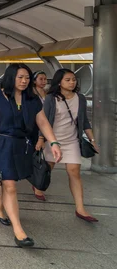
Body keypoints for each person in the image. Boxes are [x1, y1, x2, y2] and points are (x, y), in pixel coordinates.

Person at [0, 63, 62, 248]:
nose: (24, 81)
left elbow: (43, 122)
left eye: (27, 78)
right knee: (10, 184)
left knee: (10, 180)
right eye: (20, 77)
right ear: (10, 77)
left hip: (22, 145)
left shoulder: (32, 99)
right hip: (0, 144)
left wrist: (53, 142)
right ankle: (19, 231)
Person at [32, 69, 100, 221]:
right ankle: (38, 186)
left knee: (74, 171)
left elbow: (85, 121)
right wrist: (41, 139)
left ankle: (80, 208)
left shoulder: (80, 98)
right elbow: (44, 121)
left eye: (73, 79)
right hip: (53, 139)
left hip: (72, 140)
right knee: (47, 168)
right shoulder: (51, 98)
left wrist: (92, 140)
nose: (72, 82)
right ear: (59, 82)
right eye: (68, 80)